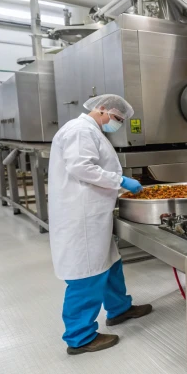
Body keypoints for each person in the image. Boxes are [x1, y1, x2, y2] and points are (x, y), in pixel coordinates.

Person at [48, 94, 152, 355]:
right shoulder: (80, 131)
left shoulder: (91, 130)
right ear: (102, 109)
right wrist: (121, 181)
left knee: (110, 262)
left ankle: (119, 309)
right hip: (80, 215)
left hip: (94, 211)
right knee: (87, 273)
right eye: (116, 118)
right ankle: (80, 336)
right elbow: (82, 168)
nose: (116, 123)